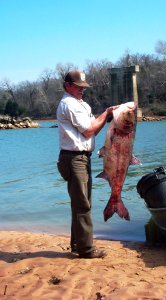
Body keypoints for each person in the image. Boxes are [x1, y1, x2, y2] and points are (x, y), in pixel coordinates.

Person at [56, 70, 118, 259]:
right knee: (83, 204)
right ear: (68, 85)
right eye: (78, 86)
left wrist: (107, 118)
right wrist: (106, 113)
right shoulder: (68, 104)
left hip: (81, 158)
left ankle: (78, 244)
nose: (82, 89)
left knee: (81, 203)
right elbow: (89, 130)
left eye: (84, 86)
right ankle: (86, 250)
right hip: (74, 159)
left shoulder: (80, 104)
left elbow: (93, 130)